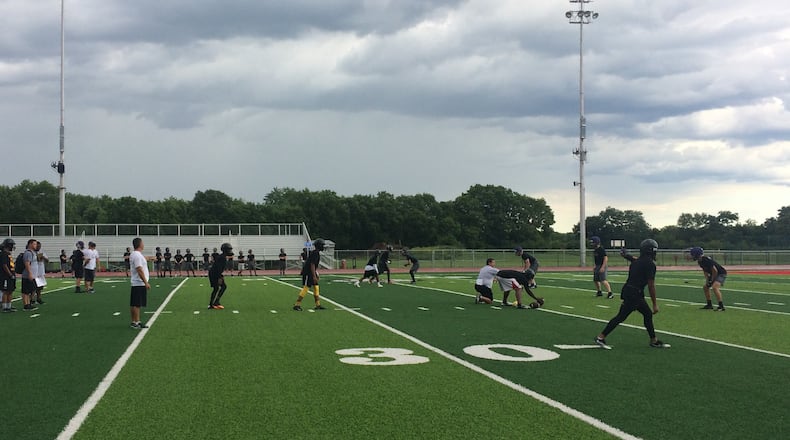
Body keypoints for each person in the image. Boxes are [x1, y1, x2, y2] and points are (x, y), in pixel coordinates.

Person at [594, 239, 669, 349]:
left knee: (647, 314)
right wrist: (654, 304)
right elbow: (651, 285)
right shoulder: (650, 264)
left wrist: (626, 255)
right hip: (634, 293)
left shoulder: (638, 261)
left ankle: (654, 340)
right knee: (621, 316)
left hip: (631, 291)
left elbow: (634, 259)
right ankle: (600, 337)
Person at [293, 239, 326, 311]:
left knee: (316, 287)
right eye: (322, 245)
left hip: (311, 272)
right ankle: (297, 305)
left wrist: (316, 273)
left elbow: (313, 265)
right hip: (308, 273)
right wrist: (314, 276)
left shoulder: (316, 252)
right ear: (319, 246)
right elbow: (312, 264)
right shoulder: (315, 253)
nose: (323, 247)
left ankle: (318, 304)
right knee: (306, 288)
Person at [689, 247, 726, 311]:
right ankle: (709, 305)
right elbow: (705, 271)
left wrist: (712, 280)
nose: (692, 256)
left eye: (693, 255)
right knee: (705, 287)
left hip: (720, 273)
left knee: (715, 287)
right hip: (713, 273)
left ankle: (721, 306)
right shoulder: (700, 261)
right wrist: (707, 280)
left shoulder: (706, 260)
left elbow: (715, 270)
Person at [129, 237, 151, 329]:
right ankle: (137, 322)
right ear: (140, 244)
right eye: (142, 243)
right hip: (139, 282)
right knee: (137, 304)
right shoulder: (137, 255)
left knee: (134, 303)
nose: (143, 244)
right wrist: (145, 282)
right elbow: (139, 269)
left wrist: (148, 258)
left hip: (136, 282)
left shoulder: (135, 254)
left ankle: (134, 321)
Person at [208, 243, 234, 310]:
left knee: (221, 287)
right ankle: (212, 304)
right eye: (229, 250)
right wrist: (220, 277)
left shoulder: (222, 256)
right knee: (217, 288)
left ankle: (215, 302)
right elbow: (218, 268)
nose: (230, 251)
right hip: (214, 274)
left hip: (215, 273)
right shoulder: (222, 257)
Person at [20, 238, 39, 311]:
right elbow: (27, 264)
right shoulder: (28, 253)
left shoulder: (33, 252)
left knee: (30, 290)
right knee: (26, 291)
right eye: (34, 244)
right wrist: (30, 273)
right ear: (30, 244)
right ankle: (26, 305)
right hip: (27, 275)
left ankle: (28, 303)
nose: (36, 245)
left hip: (32, 275)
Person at [1, 238, 17, 312]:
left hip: (11, 275)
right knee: (5, 291)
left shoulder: (8, 254)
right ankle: (4, 307)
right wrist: (10, 274)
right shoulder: (3, 254)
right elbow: (4, 265)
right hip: (5, 276)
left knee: (10, 290)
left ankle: (9, 306)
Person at [32, 240, 48, 305]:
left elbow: (47, 260)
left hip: (40, 272)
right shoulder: (32, 253)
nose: (38, 247)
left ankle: (39, 299)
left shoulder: (42, 252)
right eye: (37, 246)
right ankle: (31, 299)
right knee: (33, 287)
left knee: (40, 287)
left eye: (39, 246)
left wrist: (43, 257)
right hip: (34, 272)